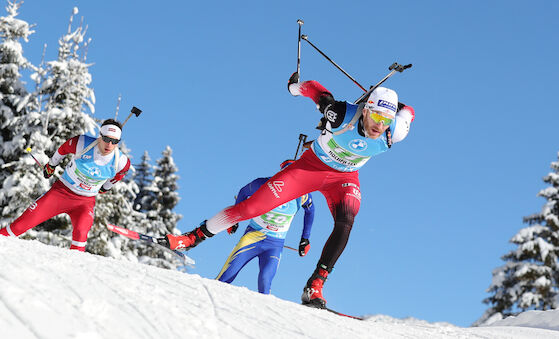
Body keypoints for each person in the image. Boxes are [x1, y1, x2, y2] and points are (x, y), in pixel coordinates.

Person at [162, 72, 415, 308]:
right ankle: (193, 238)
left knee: (346, 219)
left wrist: (401, 107)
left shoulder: (396, 131)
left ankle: (315, 285)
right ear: (366, 109)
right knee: (252, 207)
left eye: (386, 120)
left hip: (344, 178)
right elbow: (317, 91)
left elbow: (410, 112)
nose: (380, 126)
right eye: (377, 117)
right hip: (310, 168)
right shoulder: (340, 114)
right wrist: (295, 87)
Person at [0, 119, 131, 251]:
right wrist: (51, 165)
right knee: (19, 226)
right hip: (60, 193)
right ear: (100, 136)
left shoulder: (121, 162)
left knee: (80, 235)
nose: (109, 144)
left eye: (114, 141)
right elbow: (63, 149)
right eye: (106, 139)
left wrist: (105, 187)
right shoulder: (82, 143)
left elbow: (119, 176)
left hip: (84, 203)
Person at [216, 159, 315, 294]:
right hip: (252, 237)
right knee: (225, 277)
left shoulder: (302, 195)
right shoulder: (264, 183)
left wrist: (305, 238)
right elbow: (243, 192)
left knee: (265, 283)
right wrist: (235, 218)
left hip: (274, 245)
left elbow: (310, 211)